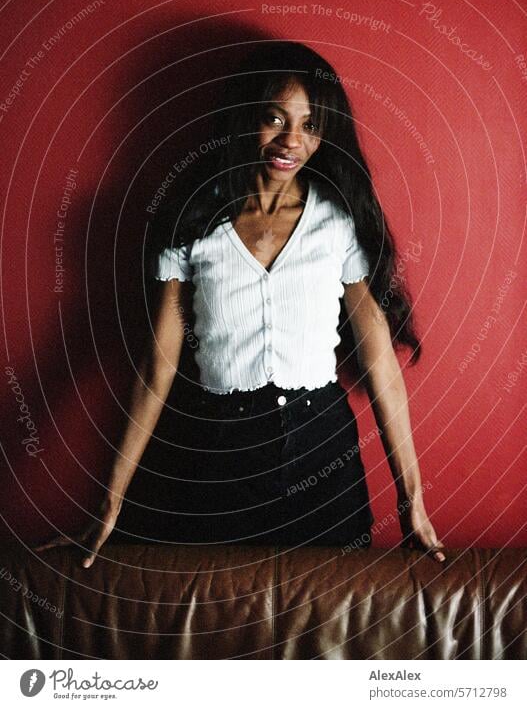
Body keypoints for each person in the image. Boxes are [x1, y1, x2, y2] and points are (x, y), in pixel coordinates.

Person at [35, 40, 445, 567]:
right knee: (219, 621)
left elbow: (379, 360)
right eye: (275, 118)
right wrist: (107, 505)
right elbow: (156, 370)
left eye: (310, 125)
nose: (291, 141)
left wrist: (411, 500)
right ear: (246, 115)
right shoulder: (191, 221)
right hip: (215, 454)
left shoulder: (338, 221)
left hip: (321, 453)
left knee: (321, 630)